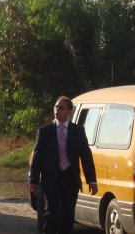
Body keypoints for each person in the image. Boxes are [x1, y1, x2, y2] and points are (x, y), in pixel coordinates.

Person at [29, 96, 98, 234]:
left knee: (67, 215)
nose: (57, 110)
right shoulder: (45, 131)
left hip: (70, 179)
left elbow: (86, 156)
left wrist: (91, 180)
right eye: (56, 107)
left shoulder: (78, 131)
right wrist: (33, 180)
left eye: (61, 108)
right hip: (51, 179)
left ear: (69, 111)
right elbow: (37, 157)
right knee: (51, 214)